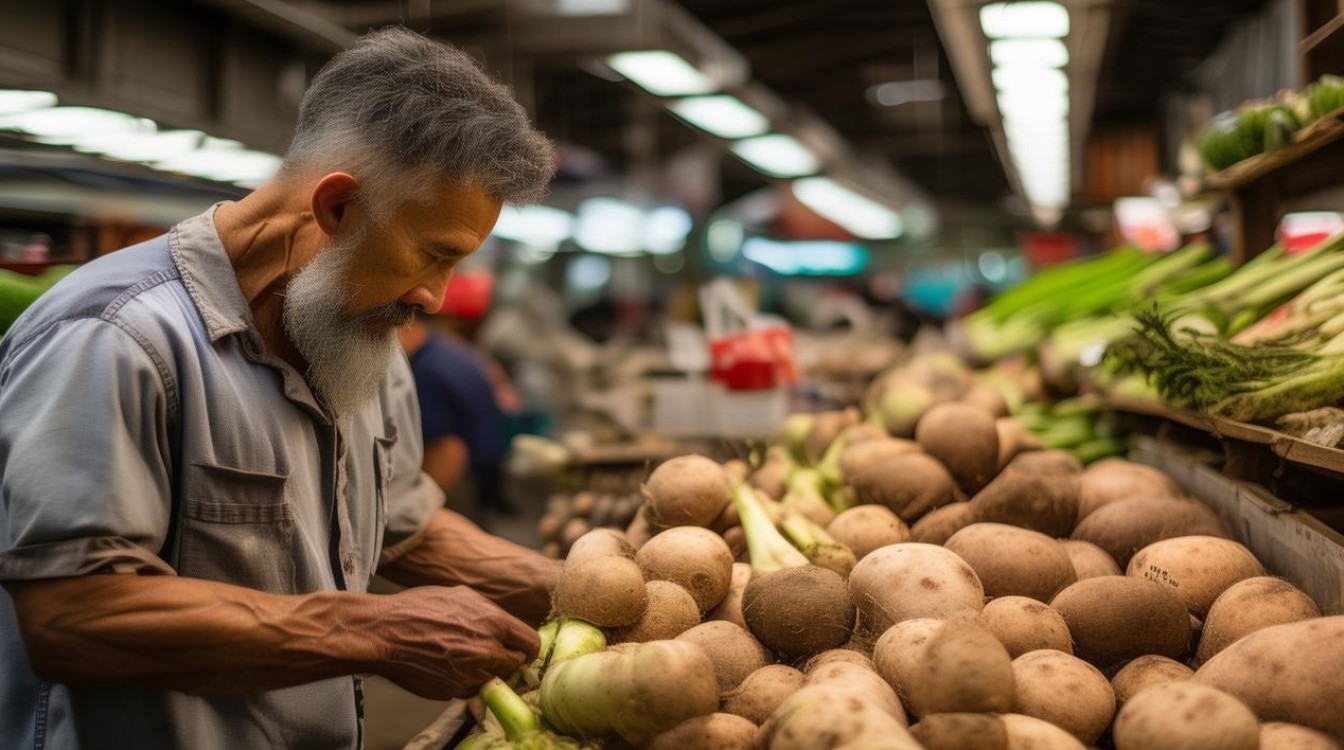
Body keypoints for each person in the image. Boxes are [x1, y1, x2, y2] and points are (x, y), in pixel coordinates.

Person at [0, 28, 562, 750]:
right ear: (336, 208)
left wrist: (592, 586)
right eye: (435, 254)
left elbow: (403, 526)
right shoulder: (115, 337)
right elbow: (72, 617)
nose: (436, 297)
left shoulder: (360, 333)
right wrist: (369, 630)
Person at [398, 311, 514, 518]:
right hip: (485, 470)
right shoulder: (446, 349)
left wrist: (415, 512)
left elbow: (449, 450)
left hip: (459, 483)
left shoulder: (426, 372)